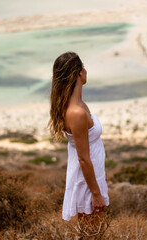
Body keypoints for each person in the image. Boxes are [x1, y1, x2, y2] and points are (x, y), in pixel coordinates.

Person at [48, 52, 109, 230]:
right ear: (78, 74)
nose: (85, 70)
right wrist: (96, 193)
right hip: (87, 182)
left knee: (95, 232)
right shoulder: (76, 112)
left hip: (93, 176)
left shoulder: (78, 104)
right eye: (83, 67)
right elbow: (83, 158)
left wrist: (101, 175)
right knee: (93, 234)